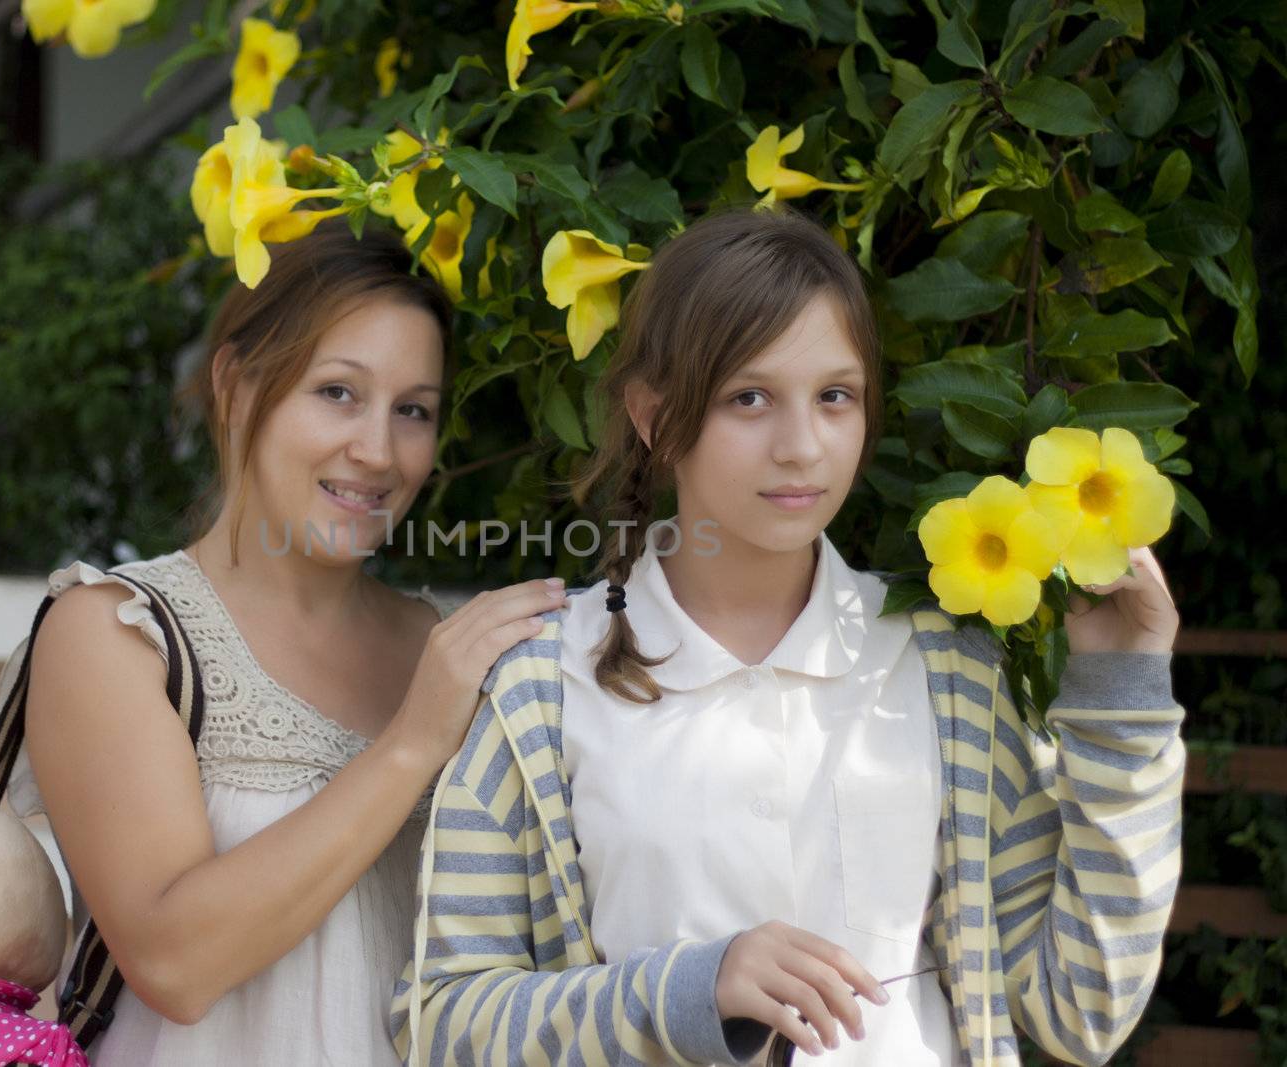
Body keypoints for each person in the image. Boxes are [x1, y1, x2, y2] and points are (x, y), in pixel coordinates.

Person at [391, 210, 1184, 1067]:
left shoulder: (945, 664)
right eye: (750, 398)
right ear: (655, 417)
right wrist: (692, 991)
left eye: (834, 396)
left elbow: (1083, 1009)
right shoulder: (541, 686)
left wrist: (1120, 689)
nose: (802, 446)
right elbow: (440, 1022)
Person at [11, 224, 568, 1065]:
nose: (377, 451)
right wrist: (413, 742)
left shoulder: (447, 650)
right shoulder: (118, 632)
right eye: (338, 393)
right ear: (237, 387)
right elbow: (174, 959)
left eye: (412, 410)